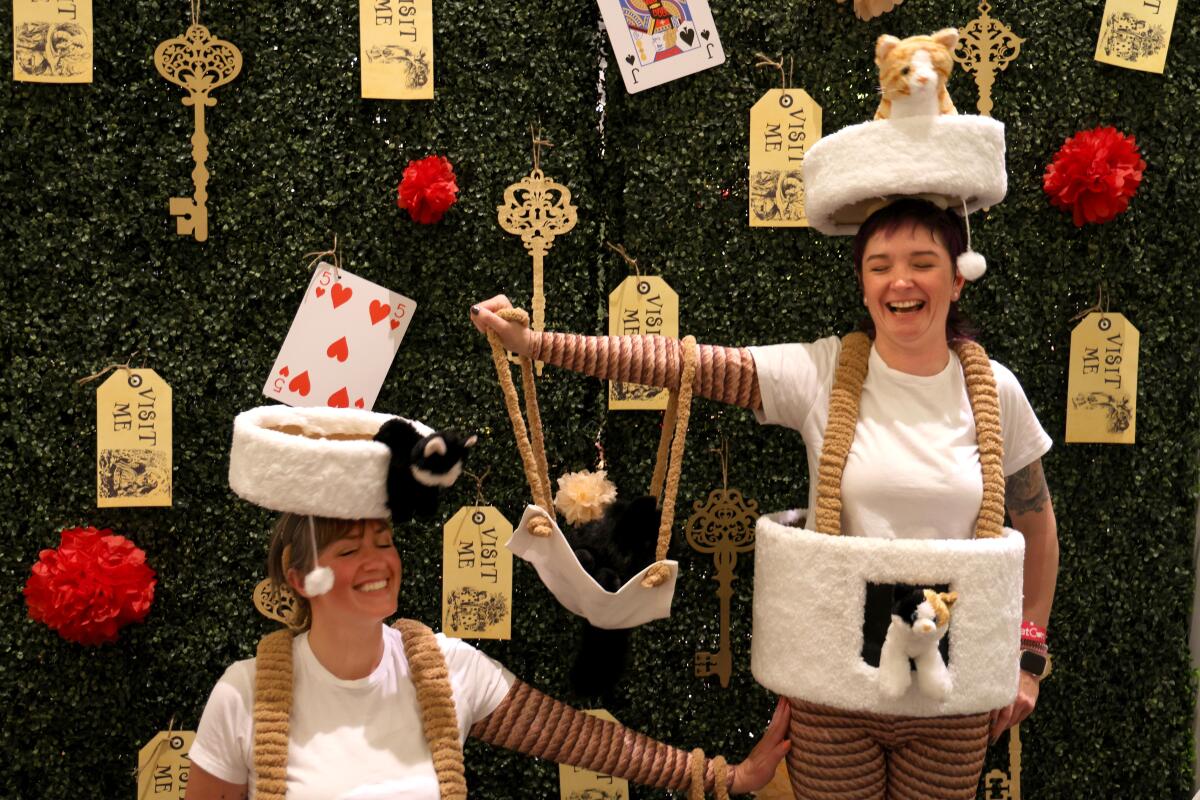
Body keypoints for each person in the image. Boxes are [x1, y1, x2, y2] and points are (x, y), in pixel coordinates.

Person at [471, 197, 1059, 799]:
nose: (901, 281)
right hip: (835, 692)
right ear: (862, 284)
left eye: (922, 262)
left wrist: (1028, 660)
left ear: (958, 277)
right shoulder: (820, 372)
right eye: (880, 265)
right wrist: (536, 344)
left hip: (951, 689)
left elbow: (1035, 524)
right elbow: (684, 366)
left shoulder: (996, 390)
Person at [186, 406, 791, 800]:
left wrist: (723, 777)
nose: (377, 563)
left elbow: (582, 740)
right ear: (299, 578)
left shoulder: (445, 668)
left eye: (385, 542)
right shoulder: (243, 695)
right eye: (348, 552)